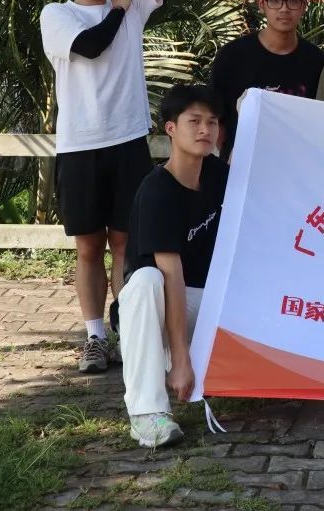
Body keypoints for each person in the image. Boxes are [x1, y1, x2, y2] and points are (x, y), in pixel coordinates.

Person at [40, 0, 162, 373]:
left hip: (128, 141)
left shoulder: (133, 5)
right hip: (81, 145)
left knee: (127, 243)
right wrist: (119, 8)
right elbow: (91, 47)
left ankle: (128, 331)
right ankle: (95, 337)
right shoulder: (57, 14)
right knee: (89, 246)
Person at [118, 84, 228, 449]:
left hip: (203, 303)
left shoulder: (219, 175)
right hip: (158, 308)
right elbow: (172, 276)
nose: (205, 130)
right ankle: (147, 414)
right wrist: (181, 360)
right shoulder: (157, 191)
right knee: (146, 280)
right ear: (170, 128)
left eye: (212, 122)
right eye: (194, 121)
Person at [210, 0, 324, 161]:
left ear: (304, 6)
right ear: (261, 4)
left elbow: (321, 121)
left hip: (297, 163)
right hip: (241, 162)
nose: (284, 9)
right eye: (275, 0)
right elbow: (216, 117)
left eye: (293, 1)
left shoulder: (317, 61)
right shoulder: (232, 56)